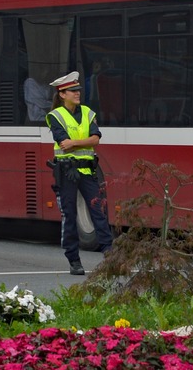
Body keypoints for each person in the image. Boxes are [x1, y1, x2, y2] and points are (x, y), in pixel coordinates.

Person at [46, 70, 113, 275]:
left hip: (87, 171)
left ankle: (110, 255)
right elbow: (62, 143)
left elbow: (95, 139)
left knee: (99, 212)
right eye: (72, 90)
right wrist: (82, 142)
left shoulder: (88, 112)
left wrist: (74, 143)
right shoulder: (55, 116)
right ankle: (74, 260)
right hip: (67, 173)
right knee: (69, 215)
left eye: (78, 90)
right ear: (62, 94)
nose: (77, 93)